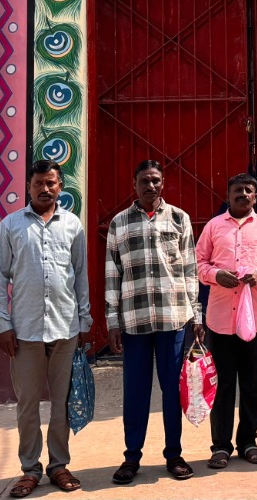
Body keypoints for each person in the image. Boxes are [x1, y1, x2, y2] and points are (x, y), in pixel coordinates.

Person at [0, 159, 92, 497]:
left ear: (60, 186)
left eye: (51, 183)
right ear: (29, 187)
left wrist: (84, 319)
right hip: (24, 331)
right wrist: (3, 323)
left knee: (61, 403)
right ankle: (30, 469)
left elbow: (80, 275)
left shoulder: (72, 225)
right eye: (38, 183)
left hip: (65, 328)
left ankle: (59, 465)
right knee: (28, 405)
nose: (45, 189)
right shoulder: (11, 225)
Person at [104, 159, 204, 484]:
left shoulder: (179, 218)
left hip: (172, 318)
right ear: (134, 185)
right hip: (134, 321)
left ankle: (174, 454)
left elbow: (189, 269)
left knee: (172, 390)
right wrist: (112, 320)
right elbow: (112, 274)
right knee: (136, 392)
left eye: (156, 180)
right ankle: (131, 458)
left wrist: (196, 314)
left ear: (163, 183)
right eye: (144, 181)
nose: (150, 186)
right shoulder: (119, 223)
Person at [195, 173, 257, 469]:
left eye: (249, 190)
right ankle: (220, 447)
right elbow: (198, 263)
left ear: (255, 197)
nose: (243, 194)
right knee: (222, 385)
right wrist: (215, 275)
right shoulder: (213, 227)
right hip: (220, 320)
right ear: (228, 195)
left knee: (251, 384)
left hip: (254, 320)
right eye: (238, 190)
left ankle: (248, 441)